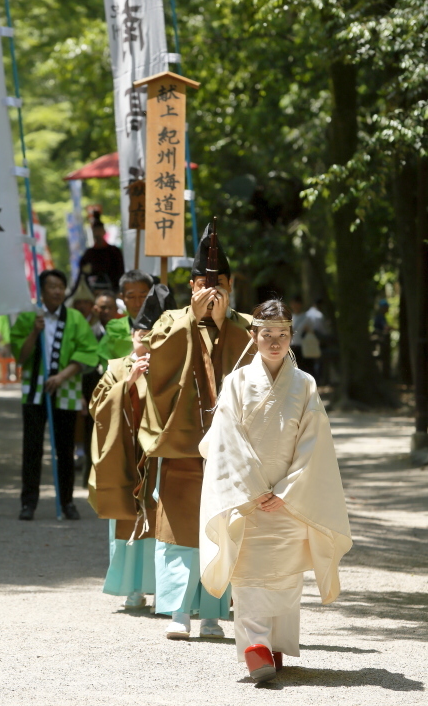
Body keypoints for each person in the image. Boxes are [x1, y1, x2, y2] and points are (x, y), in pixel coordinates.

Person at [199, 299, 351, 683]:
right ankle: (255, 647)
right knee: (249, 575)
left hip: (289, 498)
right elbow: (225, 440)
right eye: (267, 334)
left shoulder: (305, 384)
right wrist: (253, 489)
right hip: (246, 498)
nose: (275, 342)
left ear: (291, 337)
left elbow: (314, 443)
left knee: (284, 576)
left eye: (283, 335)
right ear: (254, 336)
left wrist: (286, 490)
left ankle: (275, 644)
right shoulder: (235, 383)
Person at [139, 223, 256, 639]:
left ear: (231, 284)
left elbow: (259, 378)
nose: (213, 293)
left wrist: (225, 324)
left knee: (222, 527)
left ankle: (211, 614)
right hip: (184, 444)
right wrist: (196, 318)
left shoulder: (246, 327)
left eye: (220, 284)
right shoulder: (173, 321)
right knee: (177, 527)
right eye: (205, 286)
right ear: (191, 286)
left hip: (228, 450)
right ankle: (176, 613)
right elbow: (157, 368)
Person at [89, 284, 176, 610]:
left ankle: (165, 592)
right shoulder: (116, 367)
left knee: (165, 524)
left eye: (151, 336)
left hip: (161, 456)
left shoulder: (171, 367)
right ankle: (132, 588)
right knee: (129, 521)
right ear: (133, 336)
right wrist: (126, 386)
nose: (144, 342)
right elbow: (97, 406)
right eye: (140, 335)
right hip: (129, 457)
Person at [11, 269, 99, 521]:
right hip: (34, 391)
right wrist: (34, 332)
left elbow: (88, 352)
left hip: (66, 390)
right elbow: (20, 356)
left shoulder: (74, 318)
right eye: (52, 286)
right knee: (32, 448)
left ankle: (67, 501)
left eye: (61, 286)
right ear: (41, 290)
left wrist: (62, 376)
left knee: (65, 449)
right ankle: (28, 503)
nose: (58, 291)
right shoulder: (29, 317)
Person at [98, 270, 153, 366]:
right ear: (122, 297)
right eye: (131, 297)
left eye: (143, 296)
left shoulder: (164, 325)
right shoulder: (114, 328)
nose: (138, 303)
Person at [79, 212, 125, 292]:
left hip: (112, 290)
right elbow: (82, 275)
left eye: (99, 230)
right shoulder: (89, 254)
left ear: (104, 231)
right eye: (95, 231)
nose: (97, 233)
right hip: (93, 291)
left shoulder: (114, 252)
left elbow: (120, 272)